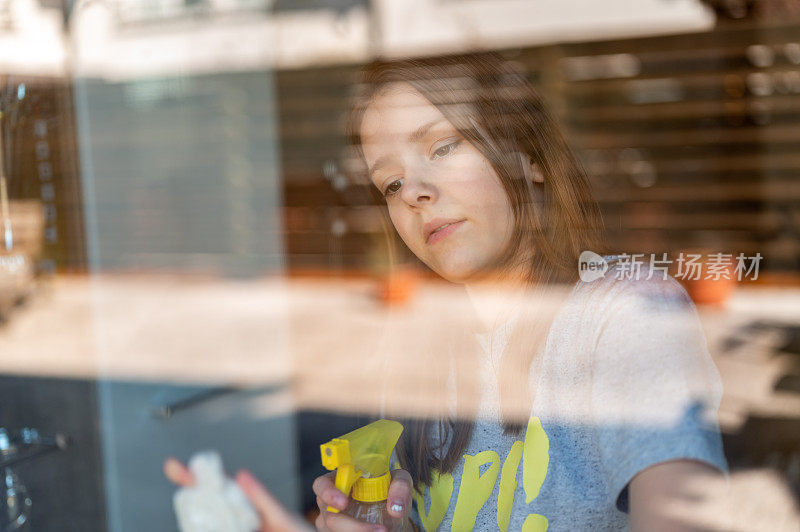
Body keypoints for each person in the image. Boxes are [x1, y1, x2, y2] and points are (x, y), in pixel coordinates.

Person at [167, 52, 729, 531]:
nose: (414, 191)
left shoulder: (624, 314)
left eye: (441, 147)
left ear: (526, 156)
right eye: (390, 182)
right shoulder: (414, 364)